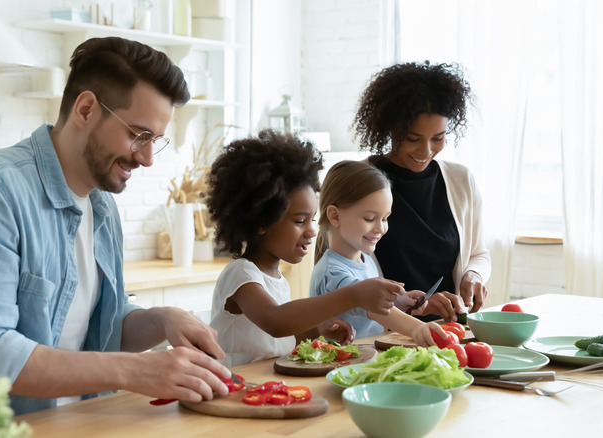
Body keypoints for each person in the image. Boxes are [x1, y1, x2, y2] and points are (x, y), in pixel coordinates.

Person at [0, 37, 232, 415]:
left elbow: (95, 327)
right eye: (138, 135)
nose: (146, 158)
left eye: (155, 141)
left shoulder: (103, 208)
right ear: (86, 109)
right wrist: (133, 371)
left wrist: (159, 319)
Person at [206, 130, 406, 367]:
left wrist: (316, 331)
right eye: (300, 221)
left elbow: (271, 339)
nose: (312, 231)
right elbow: (275, 322)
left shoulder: (276, 277)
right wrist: (355, 294)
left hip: (263, 387)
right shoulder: (241, 274)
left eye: (312, 220)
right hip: (232, 386)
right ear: (261, 222)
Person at [352, 61, 491, 322]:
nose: (425, 151)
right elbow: (340, 278)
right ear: (389, 127)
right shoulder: (358, 181)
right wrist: (418, 303)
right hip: (384, 334)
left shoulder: (461, 181)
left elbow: (479, 253)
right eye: (413, 139)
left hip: (449, 330)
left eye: (437, 138)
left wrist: (474, 275)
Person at [310, 160, 448, 345]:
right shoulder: (332, 272)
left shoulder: (365, 260)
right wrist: (417, 328)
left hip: (363, 360)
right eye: (370, 218)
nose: (381, 228)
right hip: (339, 367)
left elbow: (368, 307)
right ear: (335, 216)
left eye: (385, 218)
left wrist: (399, 300)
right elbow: (371, 306)